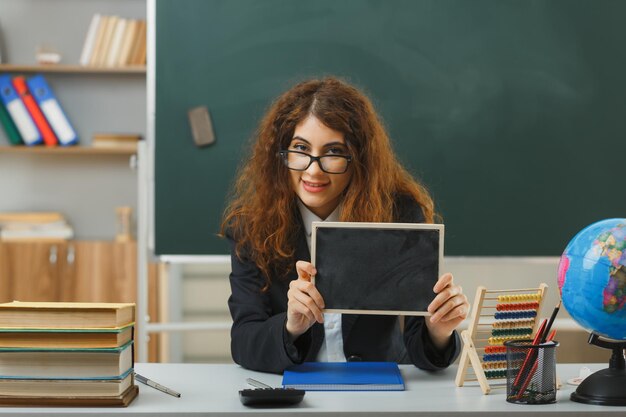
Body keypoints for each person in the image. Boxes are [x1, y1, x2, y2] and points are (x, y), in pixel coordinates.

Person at [221, 77, 469, 374]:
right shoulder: (252, 225)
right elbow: (244, 340)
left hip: (380, 392)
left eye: (334, 152)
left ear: (359, 159)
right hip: (296, 392)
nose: (314, 170)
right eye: (300, 148)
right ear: (282, 153)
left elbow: (421, 347)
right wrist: (292, 327)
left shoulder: (399, 215)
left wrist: (438, 331)